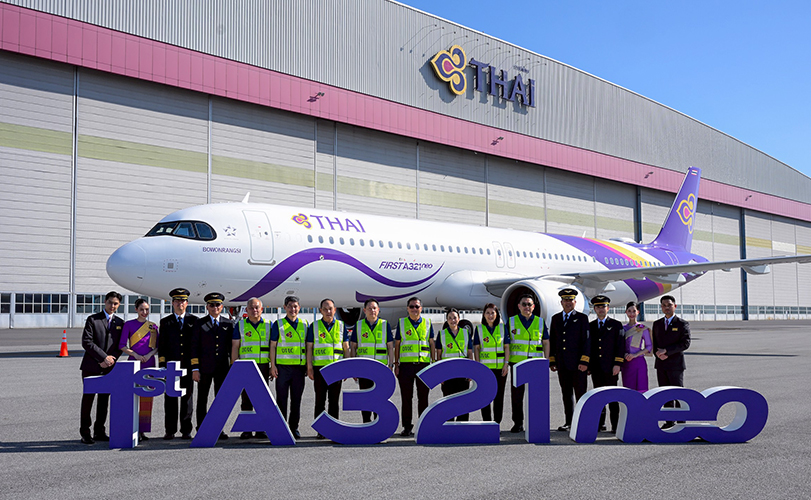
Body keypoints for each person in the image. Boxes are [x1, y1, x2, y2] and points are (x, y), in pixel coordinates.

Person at [79, 291, 124, 444]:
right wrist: (103, 358)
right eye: (110, 302)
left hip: (109, 367)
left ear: (119, 305)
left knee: (104, 400)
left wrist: (110, 360)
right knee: (88, 399)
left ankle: (99, 431)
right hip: (91, 366)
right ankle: (85, 432)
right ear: (105, 302)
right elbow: (87, 342)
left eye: (116, 303)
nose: (112, 306)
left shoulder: (120, 323)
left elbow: (120, 346)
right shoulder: (93, 319)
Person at [191, 292, 234, 440]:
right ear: (207, 307)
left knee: (220, 400)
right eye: (212, 305)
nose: (215, 307)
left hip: (222, 368)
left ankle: (218, 428)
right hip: (204, 368)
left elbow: (231, 348)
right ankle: (201, 428)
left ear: (222, 307)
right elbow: (194, 347)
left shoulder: (228, 324)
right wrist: (195, 368)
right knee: (202, 398)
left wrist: (232, 367)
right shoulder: (199, 323)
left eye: (217, 305)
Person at [505, 294, 549, 432]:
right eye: (524, 304)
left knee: (536, 395)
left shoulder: (540, 322)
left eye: (529, 304)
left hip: (535, 364)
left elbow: (546, 342)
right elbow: (506, 344)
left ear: (533, 307)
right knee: (517, 396)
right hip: (517, 364)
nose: (526, 307)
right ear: (519, 306)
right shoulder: (511, 321)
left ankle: (536, 422)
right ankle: (518, 423)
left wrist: (546, 360)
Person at [158, 287, 198, 440]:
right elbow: (162, 346)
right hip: (171, 367)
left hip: (187, 366)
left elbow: (195, 346)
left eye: (183, 301)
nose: (180, 303)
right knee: (170, 399)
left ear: (187, 303)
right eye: (177, 301)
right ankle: (170, 430)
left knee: (187, 399)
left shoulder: (194, 321)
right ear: (172, 303)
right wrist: (162, 367)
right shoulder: (165, 322)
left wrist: (195, 366)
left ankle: (186, 430)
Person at [306, 298, 349, 439]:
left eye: (330, 308)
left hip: (336, 368)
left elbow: (346, 348)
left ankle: (334, 429)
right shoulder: (314, 326)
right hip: (320, 369)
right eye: (325, 309)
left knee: (334, 401)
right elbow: (309, 348)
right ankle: (321, 429)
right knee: (320, 400)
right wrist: (309, 367)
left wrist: (346, 367)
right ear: (320, 311)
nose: (328, 311)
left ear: (335, 310)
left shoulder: (341, 326)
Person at [548, 288, 590, 432]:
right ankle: (569, 421)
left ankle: (582, 421)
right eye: (565, 300)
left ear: (575, 302)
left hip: (578, 365)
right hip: (562, 364)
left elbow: (586, 341)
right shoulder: (556, 319)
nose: (568, 303)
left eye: (570, 300)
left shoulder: (582, 318)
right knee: (566, 394)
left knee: (580, 394)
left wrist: (584, 361)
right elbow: (553, 341)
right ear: (561, 302)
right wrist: (552, 361)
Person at [119, 298, 160, 440]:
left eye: (147, 309)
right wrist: (135, 355)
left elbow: (157, 347)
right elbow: (122, 345)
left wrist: (149, 355)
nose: (144, 312)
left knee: (147, 397)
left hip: (149, 362)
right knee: (132, 397)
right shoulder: (129, 325)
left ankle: (143, 429)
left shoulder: (153, 326)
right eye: (141, 309)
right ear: (136, 309)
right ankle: (132, 427)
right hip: (134, 363)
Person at [231, 297, 271, 440]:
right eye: (251, 308)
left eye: (257, 307)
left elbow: (273, 347)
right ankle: (247, 429)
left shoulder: (269, 325)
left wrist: (272, 366)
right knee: (246, 399)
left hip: (263, 366)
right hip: (246, 367)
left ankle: (261, 429)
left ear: (262, 309)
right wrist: (234, 366)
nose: (254, 310)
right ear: (246, 310)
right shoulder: (240, 325)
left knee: (262, 399)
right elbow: (235, 347)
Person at [270, 295, 309, 439]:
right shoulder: (278, 324)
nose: (293, 309)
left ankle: (294, 428)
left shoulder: (305, 324)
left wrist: (308, 365)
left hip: (299, 369)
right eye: (290, 306)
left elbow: (308, 346)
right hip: (282, 368)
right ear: (285, 307)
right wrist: (272, 365)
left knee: (296, 400)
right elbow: (273, 346)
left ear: (299, 308)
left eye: (295, 306)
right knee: (281, 400)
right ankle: (281, 428)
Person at [350, 298, 394, 423]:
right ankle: (366, 422)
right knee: (365, 398)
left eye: (374, 308)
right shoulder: (359, 325)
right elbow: (353, 347)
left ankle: (378, 422)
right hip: (364, 369)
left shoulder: (385, 325)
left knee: (379, 398)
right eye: (369, 308)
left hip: (380, 369)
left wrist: (391, 365)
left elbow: (390, 347)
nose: (372, 311)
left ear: (378, 310)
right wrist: (354, 368)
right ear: (364, 310)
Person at [394, 296, 433, 436]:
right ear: (407, 308)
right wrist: (396, 364)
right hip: (406, 366)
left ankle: (423, 425)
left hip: (423, 365)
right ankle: (407, 426)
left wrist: (433, 362)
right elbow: (397, 344)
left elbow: (431, 343)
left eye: (417, 306)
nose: (414, 309)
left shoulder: (428, 323)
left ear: (421, 308)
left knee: (423, 398)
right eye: (411, 306)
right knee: (406, 398)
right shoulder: (402, 323)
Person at [652, 294, 691, 429]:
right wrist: (658, 354)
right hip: (661, 364)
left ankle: (681, 421)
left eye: (669, 305)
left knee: (678, 393)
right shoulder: (657, 324)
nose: (666, 307)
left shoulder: (682, 324)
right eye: (664, 305)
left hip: (675, 364)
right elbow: (654, 343)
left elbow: (685, 343)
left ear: (675, 306)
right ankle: (669, 421)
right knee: (665, 393)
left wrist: (667, 352)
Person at [588, 295, 625, 433]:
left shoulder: (616, 325)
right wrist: (589, 366)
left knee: (612, 397)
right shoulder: (591, 326)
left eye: (603, 306)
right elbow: (589, 347)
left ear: (608, 308)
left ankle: (615, 425)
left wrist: (617, 364)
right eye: (598, 307)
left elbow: (620, 346)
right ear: (594, 309)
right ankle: (600, 424)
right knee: (598, 397)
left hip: (610, 367)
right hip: (596, 368)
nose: (600, 309)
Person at [432, 308, 475, 422]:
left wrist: (471, 372)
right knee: (448, 401)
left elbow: (470, 353)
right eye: (450, 318)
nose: (453, 320)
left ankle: (462, 426)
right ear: (446, 320)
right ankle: (449, 426)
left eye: (455, 318)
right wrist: (440, 375)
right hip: (447, 374)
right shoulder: (442, 334)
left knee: (463, 402)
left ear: (459, 319)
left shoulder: (465, 333)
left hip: (463, 373)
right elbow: (438, 356)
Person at [475, 303, 509, 424]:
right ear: (484, 315)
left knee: (499, 397)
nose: (490, 315)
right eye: (488, 313)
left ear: (497, 314)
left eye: (492, 313)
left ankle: (497, 423)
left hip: (500, 368)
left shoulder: (502, 328)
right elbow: (476, 348)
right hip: (485, 369)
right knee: (485, 397)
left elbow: (506, 347)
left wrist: (506, 364)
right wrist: (478, 366)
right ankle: (487, 423)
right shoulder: (479, 329)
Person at [622, 301, 651, 393]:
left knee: (641, 388)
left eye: (634, 311)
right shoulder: (622, 329)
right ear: (626, 312)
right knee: (628, 389)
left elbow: (649, 346)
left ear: (638, 312)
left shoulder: (642, 328)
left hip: (639, 362)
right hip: (626, 362)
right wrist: (624, 354)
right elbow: (618, 346)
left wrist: (635, 355)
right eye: (629, 311)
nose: (632, 314)